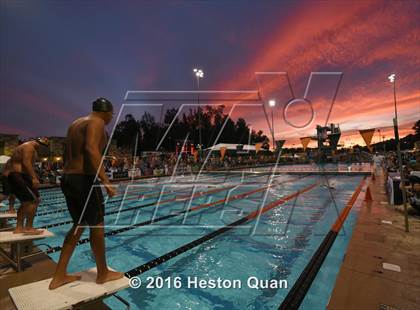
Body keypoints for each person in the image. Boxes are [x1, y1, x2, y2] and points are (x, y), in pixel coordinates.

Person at [49, 97, 123, 290]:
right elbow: (91, 149)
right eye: (111, 116)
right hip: (84, 181)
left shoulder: (75, 124)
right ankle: (103, 273)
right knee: (97, 226)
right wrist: (105, 181)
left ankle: (59, 275)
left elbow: (67, 154)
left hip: (68, 178)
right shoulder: (97, 122)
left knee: (78, 224)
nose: (110, 119)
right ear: (107, 113)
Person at [8, 138, 48, 234]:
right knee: (34, 200)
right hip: (19, 176)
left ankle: (19, 228)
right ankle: (29, 228)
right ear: (40, 144)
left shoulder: (25, 146)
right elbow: (26, 162)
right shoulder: (29, 147)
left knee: (26, 202)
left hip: (17, 175)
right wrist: (34, 178)